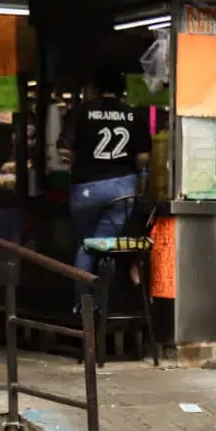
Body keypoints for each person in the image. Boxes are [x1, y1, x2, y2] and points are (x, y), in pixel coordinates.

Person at [56, 71, 151, 296]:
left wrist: (78, 162)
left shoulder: (81, 111)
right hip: (122, 190)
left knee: (88, 245)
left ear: (96, 88)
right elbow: (143, 157)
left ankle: (85, 308)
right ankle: (105, 303)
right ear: (121, 90)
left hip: (86, 188)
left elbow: (64, 150)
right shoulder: (133, 114)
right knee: (102, 244)